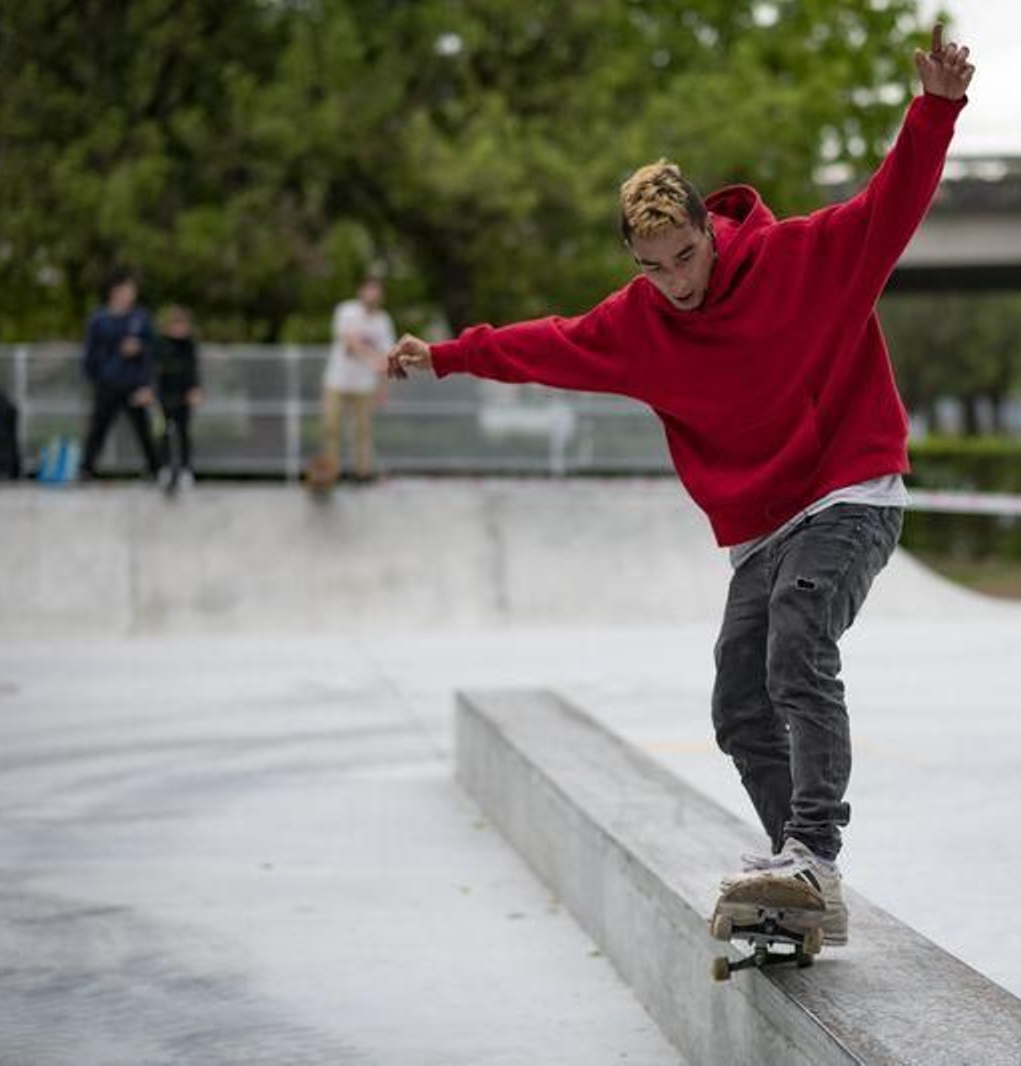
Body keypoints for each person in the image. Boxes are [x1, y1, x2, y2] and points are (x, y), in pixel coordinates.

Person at [387, 25, 975, 946]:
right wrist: (449, 356)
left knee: (798, 638)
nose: (674, 283)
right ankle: (798, 879)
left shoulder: (804, 259)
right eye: (652, 269)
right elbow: (547, 345)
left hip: (850, 492)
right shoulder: (638, 323)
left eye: (685, 257)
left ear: (709, 230)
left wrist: (936, 110)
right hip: (763, 527)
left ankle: (814, 855)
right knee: (738, 704)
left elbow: (891, 202)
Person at [80, 269, 161, 481]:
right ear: (114, 291)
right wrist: (95, 377)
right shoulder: (99, 320)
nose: (130, 295)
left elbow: (154, 350)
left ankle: (156, 469)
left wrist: (140, 351)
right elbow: (90, 352)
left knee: (143, 428)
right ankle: (86, 469)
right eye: (126, 290)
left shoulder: (140, 318)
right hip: (107, 383)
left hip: (134, 383)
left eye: (132, 291)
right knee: (98, 427)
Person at [319, 277, 394, 482]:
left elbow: (387, 357)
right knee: (331, 426)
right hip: (337, 380)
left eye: (376, 292)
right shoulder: (347, 311)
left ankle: (362, 472)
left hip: (364, 385)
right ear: (361, 291)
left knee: (362, 430)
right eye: (369, 290)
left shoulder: (383, 321)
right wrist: (372, 358)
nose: (372, 296)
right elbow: (350, 342)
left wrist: (383, 388)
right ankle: (331, 472)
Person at [154, 306, 203, 489]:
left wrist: (195, 389)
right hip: (165, 395)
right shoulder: (160, 344)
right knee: (165, 432)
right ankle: (164, 467)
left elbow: (193, 369)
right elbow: (154, 370)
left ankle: (185, 469)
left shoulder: (189, 345)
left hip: (184, 394)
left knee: (183, 432)